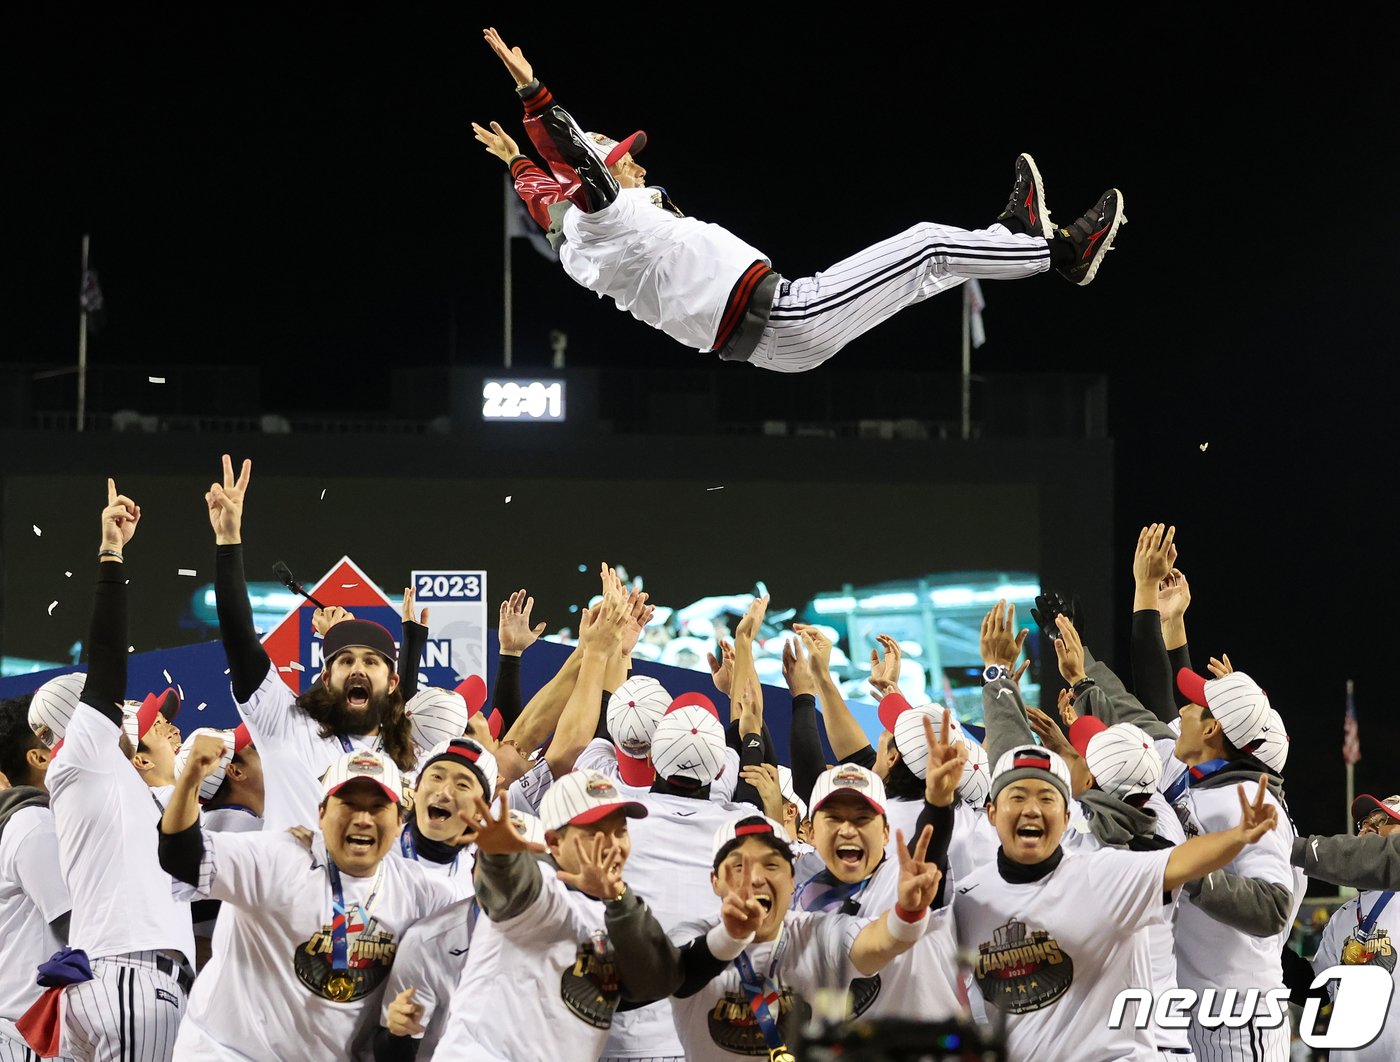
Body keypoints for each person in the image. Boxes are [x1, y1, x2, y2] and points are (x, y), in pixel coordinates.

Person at [474, 27, 1125, 373]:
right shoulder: (609, 217)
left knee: (933, 266)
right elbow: (578, 167)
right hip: (787, 316)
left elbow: (549, 209)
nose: (634, 162)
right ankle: (1063, 252)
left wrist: (515, 163)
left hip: (770, 336)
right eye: (625, 157)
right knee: (928, 241)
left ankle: (1015, 234)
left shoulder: (581, 246)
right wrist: (535, 96)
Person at [952, 743, 1281, 1062]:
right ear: (992, 813)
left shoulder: (1101, 874)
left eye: (1046, 798)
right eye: (1018, 797)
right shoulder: (969, 899)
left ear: (1067, 816)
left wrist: (1236, 836)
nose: (1032, 809)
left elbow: (1178, 862)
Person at [158, 742, 464, 1060]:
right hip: (228, 1051)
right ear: (321, 813)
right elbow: (181, 856)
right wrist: (192, 777)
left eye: (377, 807)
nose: (363, 818)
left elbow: (485, 931)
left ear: (399, 821)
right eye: (348, 803)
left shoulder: (425, 895)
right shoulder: (280, 857)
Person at [28, 481, 195, 1062]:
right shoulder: (82, 758)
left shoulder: (116, 782)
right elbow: (105, 666)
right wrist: (111, 556)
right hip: (130, 974)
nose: (128, 717)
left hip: (112, 978)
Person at [204, 454, 417, 832]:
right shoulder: (284, 724)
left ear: (393, 682)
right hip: (294, 892)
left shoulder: (409, 762)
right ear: (325, 675)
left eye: (371, 662)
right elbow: (241, 642)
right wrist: (228, 543)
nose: (357, 668)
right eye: (345, 660)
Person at [431, 771, 686, 1062]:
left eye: (620, 832)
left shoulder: (619, 911)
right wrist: (500, 856)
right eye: (594, 835)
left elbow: (658, 981)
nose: (613, 846)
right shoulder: (543, 887)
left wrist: (619, 901)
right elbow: (514, 884)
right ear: (554, 842)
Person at [669, 810, 943, 1061]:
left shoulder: (819, 933)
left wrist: (907, 913)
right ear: (715, 881)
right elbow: (676, 975)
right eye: (739, 866)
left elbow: (880, 941)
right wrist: (731, 937)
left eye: (771, 865)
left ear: (792, 880)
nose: (755, 879)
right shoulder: (691, 937)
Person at [374, 810, 548, 1062]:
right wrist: (398, 1034)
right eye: (493, 861)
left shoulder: (568, 939)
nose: (502, 876)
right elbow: (392, 1054)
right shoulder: (427, 942)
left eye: (518, 864)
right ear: (473, 868)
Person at [0, 696, 73, 1062]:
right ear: (40, 757)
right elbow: (75, 925)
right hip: (24, 1034)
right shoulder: (32, 823)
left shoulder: (31, 822)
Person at [1309, 794, 1400, 1062]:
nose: (1365, 830)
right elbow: (1318, 990)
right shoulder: (1343, 917)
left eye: (1381, 821)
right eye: (1362, 824)